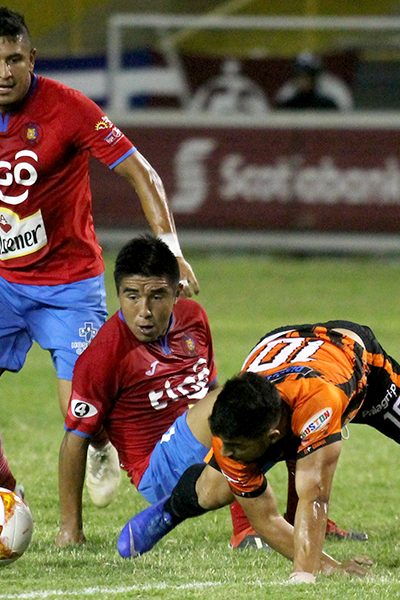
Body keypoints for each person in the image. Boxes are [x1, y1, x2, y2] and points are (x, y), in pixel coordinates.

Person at [0, 7, 199, 504]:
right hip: (3, 281)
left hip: (68, 284)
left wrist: (171, 252)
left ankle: (100, 445)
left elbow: (142, 173)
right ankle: (5, 492)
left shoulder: (68, 108)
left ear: (32, 59)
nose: (4, 72)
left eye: (14, 59)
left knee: (83, 416)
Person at [119, 319, 400, 582]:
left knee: (309, 479)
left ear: (272, 436)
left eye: (236, 447)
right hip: (279, 351)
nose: (227, 454)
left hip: (358, 366)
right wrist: (333, 567)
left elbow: (315, 498)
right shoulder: (233, 425)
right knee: (212, 491)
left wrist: (303, 577)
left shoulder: (317, 405)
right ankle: (170, 510)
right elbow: (266, 519)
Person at [56, 235, 267, 550]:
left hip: (203, 447)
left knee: (279, 398)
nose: (144, 311)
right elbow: (75, 439)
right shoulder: (103, 355)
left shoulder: (194, 318)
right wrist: (70, 531)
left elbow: (209, 388)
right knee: (245, 399)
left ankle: (306, 515)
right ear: (118, 294)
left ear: (177, 292)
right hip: (157, 469)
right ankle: (245, 529)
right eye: (132, 296)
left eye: (157, 296)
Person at [275, 52, 353, 111]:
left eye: (307, 76)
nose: (302, 80)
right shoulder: (287, 99)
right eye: (299, 75)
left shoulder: (330, 100)